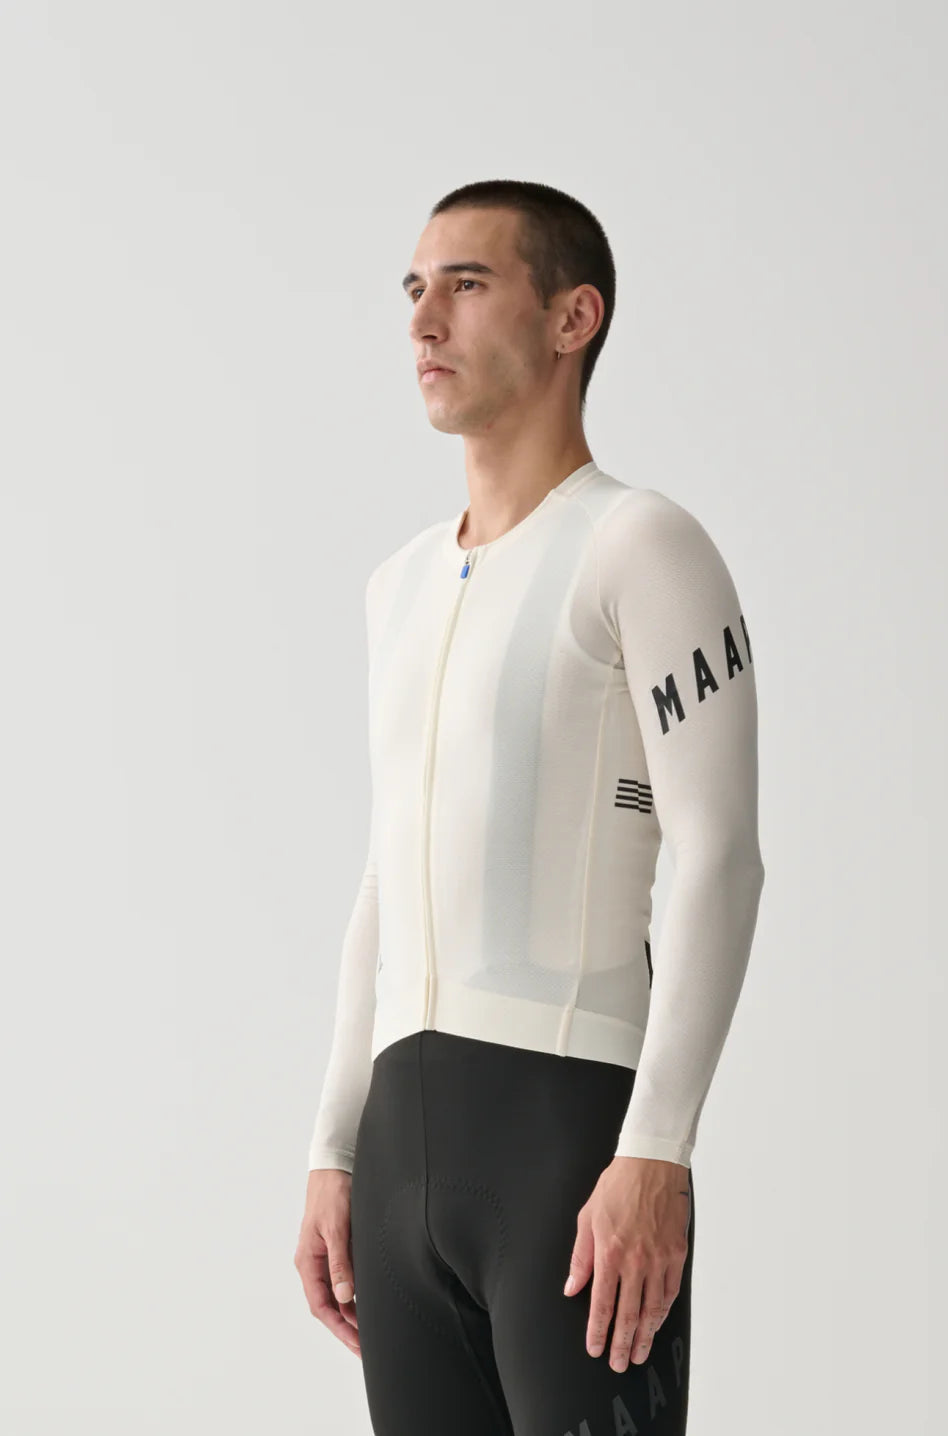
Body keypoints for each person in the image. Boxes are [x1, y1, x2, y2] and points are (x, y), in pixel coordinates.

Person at [293, 178, 766, 1435]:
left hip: (567, 1140)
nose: (422, 319)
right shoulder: (397, 586)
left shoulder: (642, 544)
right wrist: (334, 1147)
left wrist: (657, 1146)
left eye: (467, 283)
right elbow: (387, 873)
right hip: (400, 1158)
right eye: (413, 289)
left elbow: (720, 854)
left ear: (572, 318)